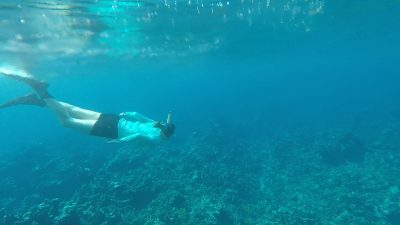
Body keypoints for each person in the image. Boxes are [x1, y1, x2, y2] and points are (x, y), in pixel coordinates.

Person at [0, 72, 175, 143]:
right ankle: (40, 91)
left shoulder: (155, 123)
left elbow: (136, 114)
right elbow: (137, 135)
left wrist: (124, 113)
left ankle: (37, 100)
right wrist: (119, 141)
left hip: (113, 118)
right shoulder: (156, 139)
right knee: (66, 121)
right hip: (110, 130)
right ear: (166, 136)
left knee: (72, 109)